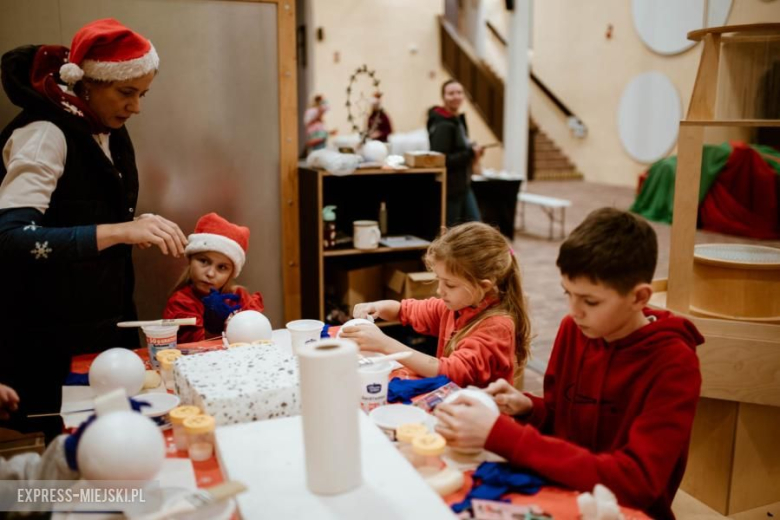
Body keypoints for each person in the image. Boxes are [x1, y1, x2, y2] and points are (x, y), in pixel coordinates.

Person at [433, 208, 703, 520]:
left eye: (590, 301)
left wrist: (503, 435)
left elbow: (637, 483)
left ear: (640, 297)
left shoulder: (674, 363)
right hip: (561, 489)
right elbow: (564, 420)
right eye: (567, 294)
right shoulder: (573, 329)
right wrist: (528, 408)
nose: (575, 311)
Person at [0, 18, 187, 440]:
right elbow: (9, 238)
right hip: (47, 331)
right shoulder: (44, 134)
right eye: (126, 92)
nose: (136, 106)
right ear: (86, 84)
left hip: (98, 321)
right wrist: (123, 231)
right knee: (69, 449)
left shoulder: (108, 131)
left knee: (106, 438)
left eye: (143, 94)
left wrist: (136, 227)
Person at [343, 222, 531, 388]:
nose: (440, 291)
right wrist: (380, 307)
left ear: (483, 286)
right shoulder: (459, 305)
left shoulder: (497, 327)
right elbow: (408, 311)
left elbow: (451, 372)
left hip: (482, 420)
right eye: (439, 280)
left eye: (449, 284)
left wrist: (386, 344)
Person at [164, 212, 264, 344]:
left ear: (231, 273)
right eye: (204, 261)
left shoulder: (240, 297)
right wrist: (212, 328)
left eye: (222, 267)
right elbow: (193, 351)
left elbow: (257, 338)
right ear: (190, 260)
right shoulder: (181, 302)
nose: (210, 273)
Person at [427, 79, 484, 226]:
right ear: (443, 97)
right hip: (451, 188)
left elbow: (459, 147)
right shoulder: (442, 124)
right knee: (453, 232)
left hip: (463, 184)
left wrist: (471, 148)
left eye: (459, 92)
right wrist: (470, 153)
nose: (456, 96)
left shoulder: (457, 120)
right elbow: (441, 159)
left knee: (476, 227)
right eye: (451, 93)